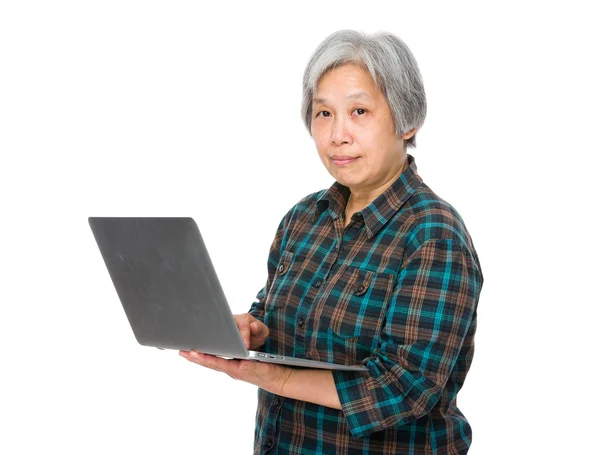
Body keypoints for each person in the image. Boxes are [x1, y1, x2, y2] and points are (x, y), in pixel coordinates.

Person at [180, 29, 484, 455]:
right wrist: (252, 331)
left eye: (359, 111)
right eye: (323, 114)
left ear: (407, 119)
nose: (337, 135)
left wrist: (272, 377)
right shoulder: (304, 218)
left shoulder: (433, 234)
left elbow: (406, 387)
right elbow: (280, 319)